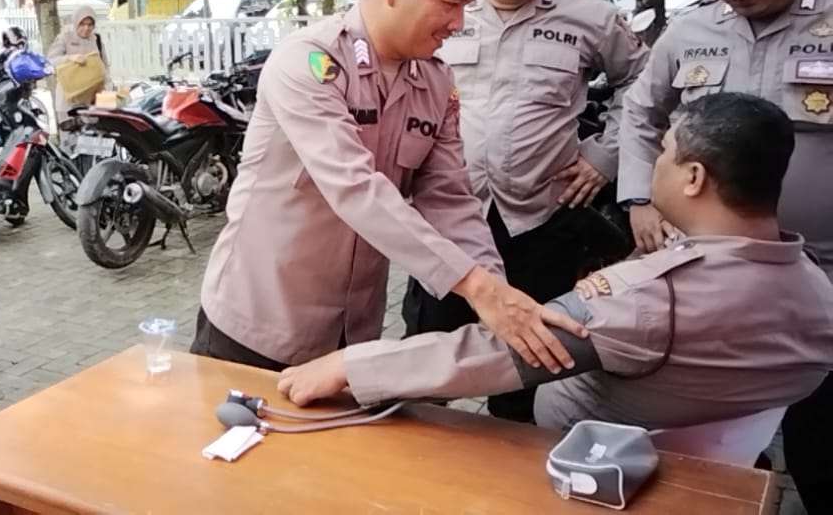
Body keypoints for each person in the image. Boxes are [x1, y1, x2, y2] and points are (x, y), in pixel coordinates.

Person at [277, 93, 833, 437]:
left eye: (663, 150)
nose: (652, 162)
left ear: (694, 178)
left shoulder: (645, 299)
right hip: (729, 456)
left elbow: (490, 354)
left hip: (588, 456)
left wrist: (350, 366)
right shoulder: (816, 290)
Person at [190, 0, 585, 375]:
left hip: (351, 337)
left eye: (466, 5)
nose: (459, 22)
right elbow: (355, 189)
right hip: (257, 327)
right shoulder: (309, 63)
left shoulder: (435, 82)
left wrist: (497, 293)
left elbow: (449, 199)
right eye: (450, 3)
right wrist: (476, 287)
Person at [616, 0, 833, 513]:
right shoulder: (691, 31)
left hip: (821, 273)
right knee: (714, 433)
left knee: (821, 432)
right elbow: (639, 113)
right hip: (709, 280)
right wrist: (639, 198)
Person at [400, 0, 650, 423]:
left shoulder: (590, 19)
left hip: (540, 221)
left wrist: (604, 156)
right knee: (423, 361)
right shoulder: (448, 10)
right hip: (449, 220)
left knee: (529, 367)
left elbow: (642, 82)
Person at [46, 5, 112, 127]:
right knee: (70, 135)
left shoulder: (97, 41)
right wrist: (70, 58)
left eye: (90, 25)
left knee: (92, 134)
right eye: (82, 24)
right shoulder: (64, 39)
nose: (86, 28)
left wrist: (107, 88)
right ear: (76, 23)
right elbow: (50, 62)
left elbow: (105, 68)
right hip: (67, 101)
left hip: (90, 101)